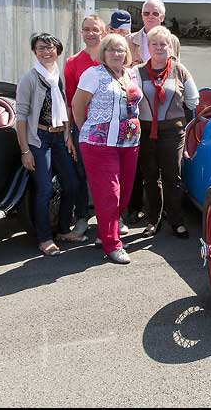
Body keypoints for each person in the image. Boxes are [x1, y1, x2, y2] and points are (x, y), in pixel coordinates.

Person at [71, 34, 143, 264]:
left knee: (124, 193)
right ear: (104, 52)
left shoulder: (131, 73)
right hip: (99, 144)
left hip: (129, 142)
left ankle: (105, 232)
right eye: (111, 49)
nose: (116, 53)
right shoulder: (93, 74)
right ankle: (112, 244)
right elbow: (77, 105)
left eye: (120, 50)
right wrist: (89, 130)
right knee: (108, 195)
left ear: (126, 53)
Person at [16, 33, 81, 256]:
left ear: (58, 50)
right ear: (34, 52)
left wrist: (68, 137)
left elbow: (63, 108)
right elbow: (21, 117)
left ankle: (63, 229)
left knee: (71, 184)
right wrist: (25, 150)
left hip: (59, 137)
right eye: (41, 48)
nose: (46, 52)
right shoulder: (30, 78)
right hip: (39, 139)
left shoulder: (57, 76)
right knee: (44, 189)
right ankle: (44, 238)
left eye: (50, 47)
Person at [136, 25, 199, 239]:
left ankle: (177, 220)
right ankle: (153, 220)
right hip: (145, 132)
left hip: (173, 132)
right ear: (148, 47)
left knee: (173, 177)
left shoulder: (180, 70)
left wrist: (177, 111)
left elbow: (193, 100)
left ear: (170, 46)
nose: (159, 47)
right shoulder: (138, 72)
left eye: (163, 44)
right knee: (150, 177)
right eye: (154, 44)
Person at [63, 15, 106, 236]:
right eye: (86, 29)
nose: (90, 33)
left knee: (108, 176)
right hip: (83, 128)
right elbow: (70, 100)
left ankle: (111, 219)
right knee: (81, 173)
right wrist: (70, 132)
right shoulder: (72, 63)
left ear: (103, 32)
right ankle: (81, 218)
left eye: (94, 29)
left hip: (108, 130)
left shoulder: (111, 59)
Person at [126, 0, 166, 66]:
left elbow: (176, 70)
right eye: (146, 13)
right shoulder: (128, 40)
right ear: (142, 16)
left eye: (155, 14)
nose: (150, 16)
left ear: (162, 17)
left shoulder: (172, 41)